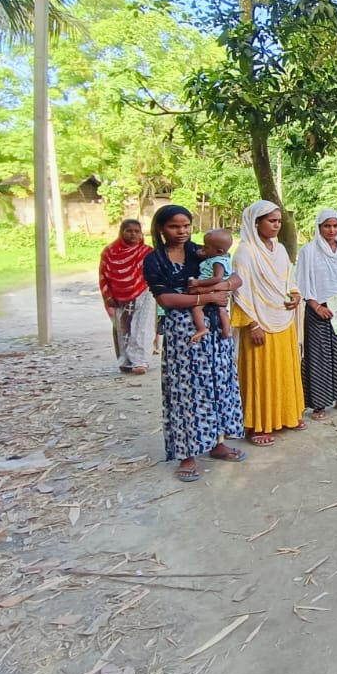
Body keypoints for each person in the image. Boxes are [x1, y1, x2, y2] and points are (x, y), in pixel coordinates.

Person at [142, 205, 246, 481]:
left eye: (186, 225)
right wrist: (206, 298)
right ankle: (187, 454)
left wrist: (222, 288)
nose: (182, 231)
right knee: (187, 391)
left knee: (217, 383)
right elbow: (165, 300)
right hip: (183, 333)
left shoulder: (202, 251)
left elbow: (235, 276)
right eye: (175, 226)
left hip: (214, 330)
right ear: (161, 229)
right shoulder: (155, 260)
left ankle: (217, 443)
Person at [231, 200, 306, 444]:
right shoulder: (245, 252)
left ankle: (287, 415)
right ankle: (257, 425)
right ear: (256, 223)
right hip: (259, 320)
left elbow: (288, 278)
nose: (276, 225)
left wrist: (294, 294)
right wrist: (252, 324)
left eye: (278, 221)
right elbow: (240, 293)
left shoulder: (280, 249)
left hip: (282, 317)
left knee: (285, 367)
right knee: (260, 373)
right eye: (271, 221)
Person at [296, 208, 337, 419]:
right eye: (327, 226)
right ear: (319, 227)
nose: (331, 230)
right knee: (319, 356)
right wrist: (316, 307)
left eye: (335, 226)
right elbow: (303, 282)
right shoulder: (308, 251)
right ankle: (319, 404)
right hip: (318, 310)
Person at [98, 218, 155, 374]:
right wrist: (107, 294)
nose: (133, 234)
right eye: (129, 231)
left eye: (137, 231)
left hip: (144, 292)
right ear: (121, 232)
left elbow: (154, 274)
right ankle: (125, 361)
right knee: (122, 328)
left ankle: (140, 361)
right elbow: (103, 275)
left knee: (142, 327)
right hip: (118, 295)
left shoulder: (147, 252)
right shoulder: (109, 252)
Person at [187, 228, 233, 342]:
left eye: (206, 247)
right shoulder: (220, 257)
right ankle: (226, 331)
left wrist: (199, 283)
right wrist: (204, 252)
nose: (203, 248)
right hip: (219, 290)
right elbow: (203, 253)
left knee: (197, 308)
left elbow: (217, 278)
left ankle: (202, 328)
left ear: (219, 251)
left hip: (210, 288)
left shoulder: (217, 262)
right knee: (222, 310)